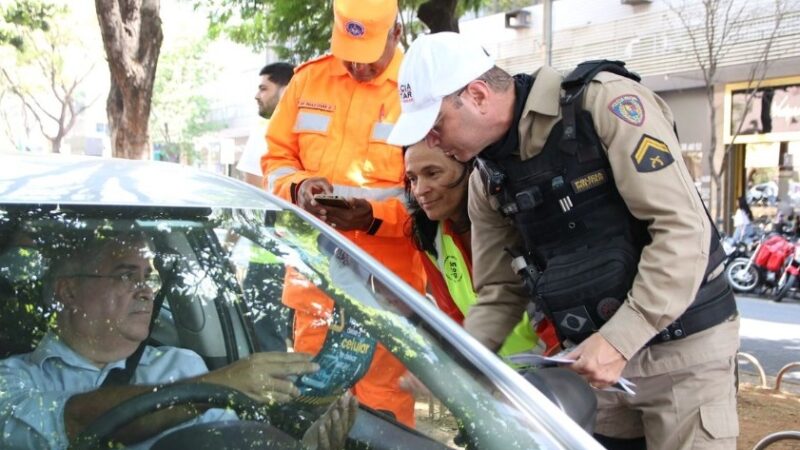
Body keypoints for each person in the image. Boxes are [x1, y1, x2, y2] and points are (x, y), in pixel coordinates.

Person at [387, 32, 739, 449]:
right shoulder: (487, 178)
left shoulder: (605, 106)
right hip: (595, 366)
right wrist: (461, 364)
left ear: (478, 95)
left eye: (435, 125)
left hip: (682, 354)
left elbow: (683, 230)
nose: (432, 142)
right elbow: (500, 291)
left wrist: (619, 340)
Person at [0, 231, 357, 450]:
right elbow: (71, 423)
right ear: (69, 291)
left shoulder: (181, 365)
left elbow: (228, 446)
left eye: (149, 278)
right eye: (126, 276)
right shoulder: (15, 380)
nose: (145, 291)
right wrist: (215, 384)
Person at [261, 0, 425, 428]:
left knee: (381, 409)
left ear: (396, 35)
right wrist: (298, 188)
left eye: (369, 56)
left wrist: (372, 217)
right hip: (314, 282)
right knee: (311, 403)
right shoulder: (308, 81)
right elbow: (276, 160)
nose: (358, 67)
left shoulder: (418, 90)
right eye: (349, 55)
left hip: (385, 288)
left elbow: (434, 197)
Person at [403, 140, 558, 357]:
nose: (420, 190)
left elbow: (557, 316)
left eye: (433, 173)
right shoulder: (431, 238)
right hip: (499, 380)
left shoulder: (518, 224)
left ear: (470, 170)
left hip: (553, 375)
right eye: (412, 178)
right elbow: (455, 321)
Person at [237, 62, 295, 187]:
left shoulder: (263, 133)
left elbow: (253, 192)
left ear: (286, 90)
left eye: (263, 89)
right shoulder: (311, 131)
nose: (256, 96)